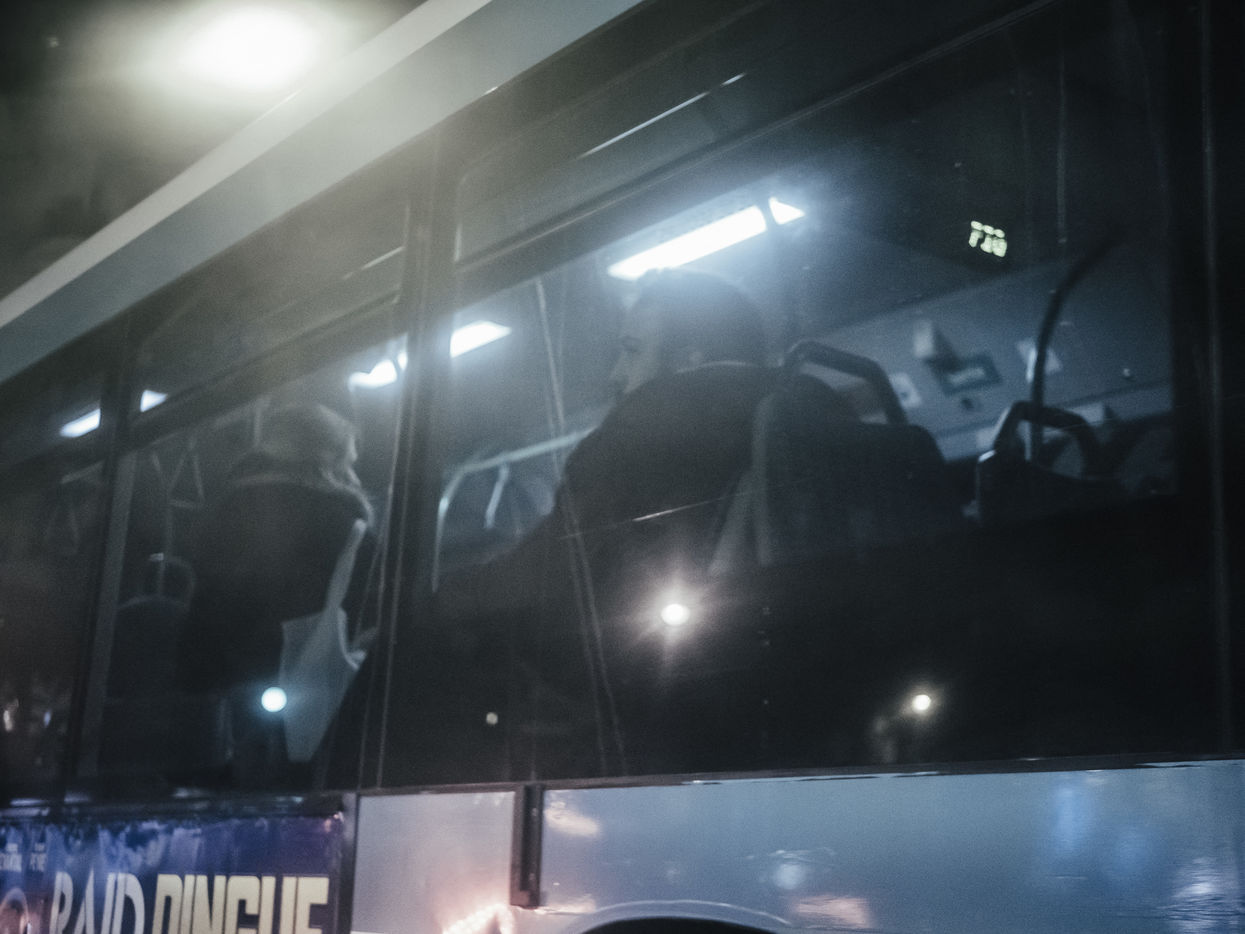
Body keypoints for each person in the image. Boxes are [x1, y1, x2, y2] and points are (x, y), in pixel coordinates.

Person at [177, 402, 373, 782]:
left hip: (212, 691)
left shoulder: (221, 510)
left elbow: (205, 607)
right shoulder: (344, 524)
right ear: (332, 458)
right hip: (299, 692)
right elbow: (355, 610)